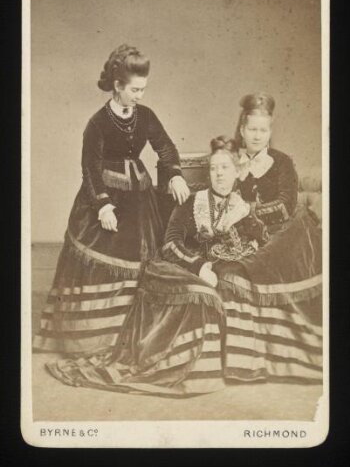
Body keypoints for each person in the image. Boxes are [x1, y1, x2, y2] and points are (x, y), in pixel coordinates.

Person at [46, 127, 322, 396]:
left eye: (225, 168)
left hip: (218, 269)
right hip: (179, 267)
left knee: (235, 283)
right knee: (199, 293)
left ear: (237, 172)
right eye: (214, 169)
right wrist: (200, 266)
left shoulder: (244, 209)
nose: (219, 175)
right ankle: (186, 367)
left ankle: (241, 362)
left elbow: (259, 242)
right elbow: (170, 244)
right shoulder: (193, 201)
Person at [33, 44, 190, 354]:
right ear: (118, 86)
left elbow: (167, 148)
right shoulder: (97, 123)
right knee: (105, 255)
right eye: (135, 89)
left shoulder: (146, 115)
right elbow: (89, 170)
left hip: (141, 199)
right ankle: (97, 338)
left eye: (144, 89)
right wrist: (103, 204)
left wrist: (174, 174)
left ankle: (135, 332)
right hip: (106, 199)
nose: (140, 95)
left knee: (146, 256)